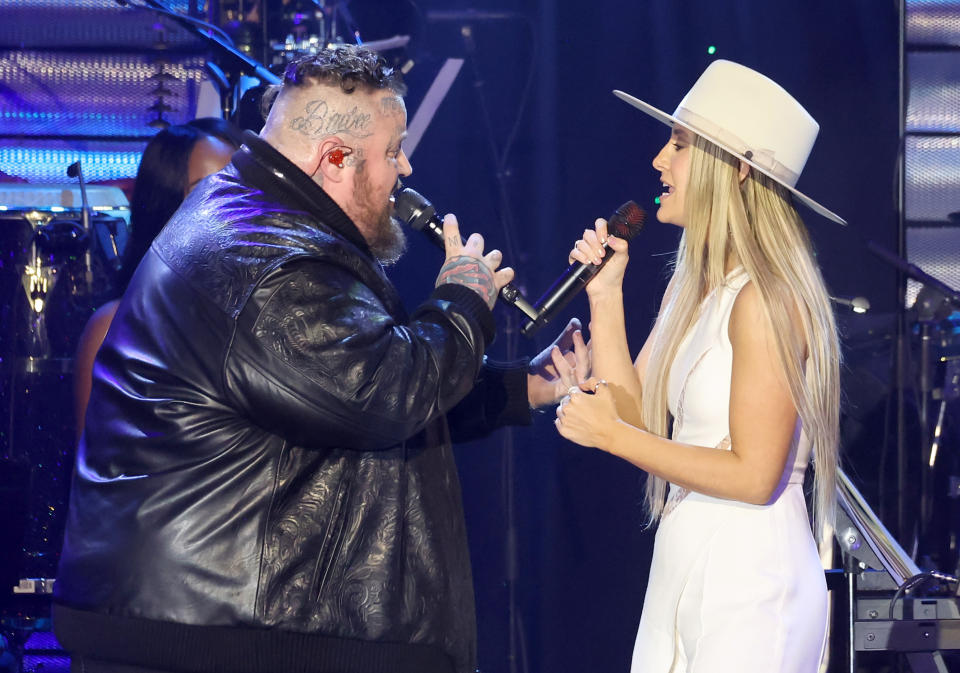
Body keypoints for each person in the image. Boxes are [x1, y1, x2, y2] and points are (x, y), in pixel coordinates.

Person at [53, 44, 586, 673]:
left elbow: (343, 390)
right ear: (334, 157)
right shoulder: (265, 259)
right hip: (225, 638)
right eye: (392, 152)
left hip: (217, 629)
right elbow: (384, 396)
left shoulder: (255, 223)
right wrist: (464, 300)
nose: (405, 169)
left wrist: (524, 387)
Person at [554, 59, 844, 672]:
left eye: (680, 144)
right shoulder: (696, 289)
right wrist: (606, 297)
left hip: (749, 574)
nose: (660, 160)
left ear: (736, 170)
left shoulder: (765, 297)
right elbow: (636, 414)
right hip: (689, 552)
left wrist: (609, 434)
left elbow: (755, 474)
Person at [72, 120, 240, 440]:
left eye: (240, 188)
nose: (232, 207)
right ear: (165, 205)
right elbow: (98, 475)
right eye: (209, 189)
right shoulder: (117, 327)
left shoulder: (267, 318)